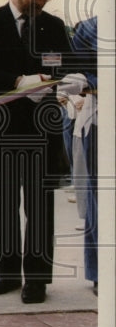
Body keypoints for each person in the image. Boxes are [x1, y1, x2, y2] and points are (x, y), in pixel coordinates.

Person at [0, 0, 85, 304]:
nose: (40, 2)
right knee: (5, 205)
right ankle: (6, 272)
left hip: (42, 128)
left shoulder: (52, 25)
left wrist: (72, 78)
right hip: (1, 128)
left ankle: (36, 278)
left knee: (40, 206)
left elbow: (68, 64)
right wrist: (16, 82)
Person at [69, 16, 98, 295]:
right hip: (100, 123)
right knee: (100, 198)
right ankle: (100, 271)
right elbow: (79, 72)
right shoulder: (90, 28)